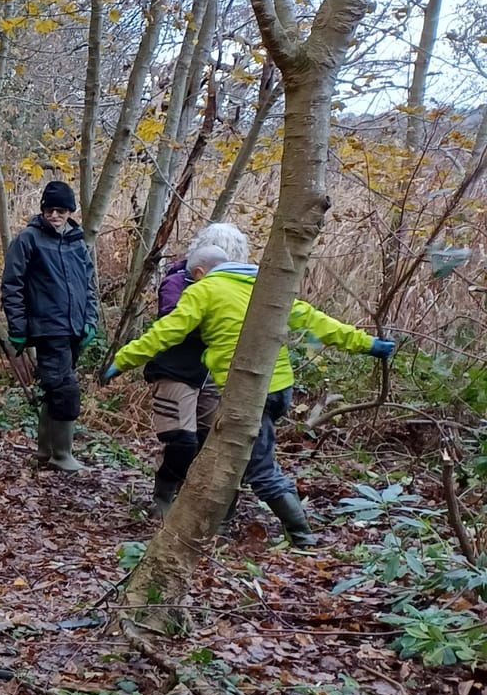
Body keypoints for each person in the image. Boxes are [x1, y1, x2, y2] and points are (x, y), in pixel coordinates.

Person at [105, 238, 394, 545]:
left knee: (260, 469)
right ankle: (219, 522)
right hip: (280, 389)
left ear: (200, 272)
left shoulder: (204, 290)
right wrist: (367, 344)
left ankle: (303, 537)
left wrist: (122, 361)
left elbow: (166, 332)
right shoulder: (266, 287)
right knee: (227, 452)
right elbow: (315, 321)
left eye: (191, 278)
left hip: (247, 392)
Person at [139, 222, 248, 517]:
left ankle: (213, 509)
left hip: (216, 373)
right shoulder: (177, 281)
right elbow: (173, 322)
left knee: (212, 442)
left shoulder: (241, 286)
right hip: (177, 369)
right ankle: (164, 495)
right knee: (181, 440)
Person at [0, 180, 99, 472]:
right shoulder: (28, 240)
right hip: (47, 327)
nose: (54, 215)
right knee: (65, 389)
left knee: (54, 388)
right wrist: (17, 328)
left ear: (70, 211)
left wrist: (89, 321)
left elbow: (88, 286)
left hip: (74, 327)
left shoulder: (77, 242)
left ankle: (45, 450)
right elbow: (12, 286)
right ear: (42, 210)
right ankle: (62, 455)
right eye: (49, 209)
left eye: (61, 210)